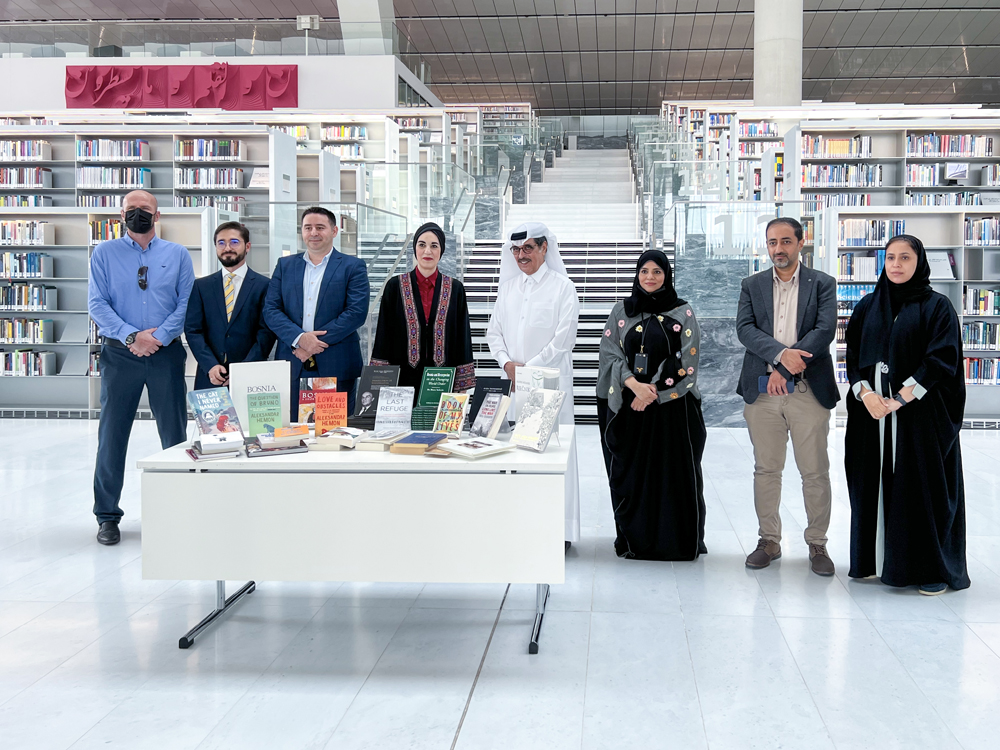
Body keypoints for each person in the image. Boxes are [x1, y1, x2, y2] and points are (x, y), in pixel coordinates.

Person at [845, 234, 969, 595]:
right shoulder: (868, 306)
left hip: (918, 419)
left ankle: (927, 568)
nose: (896, 265)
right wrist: (866, 394)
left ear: (920, 262)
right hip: (872, 415)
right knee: (873, 484)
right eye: (890, 258)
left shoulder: (936, 306)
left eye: (905, 258)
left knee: (921, 489)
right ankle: (874, 560)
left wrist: (898, 399)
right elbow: (853, 358)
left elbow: (941, 360)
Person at [88, 190, 194, 545]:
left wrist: (159, 337)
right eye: (131, 210)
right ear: (121, 215)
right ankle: (107, 516)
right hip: (120, 355)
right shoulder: (103, 253)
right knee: (112, 436)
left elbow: (185, 303)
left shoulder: (177, 254)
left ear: (158, 215)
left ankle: (179, 510)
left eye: (144, 210)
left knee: (174, 436)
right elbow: (97, 304)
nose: (138, 215)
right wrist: (133, 336)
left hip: (165, 354)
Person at [736, 217, 839, 576]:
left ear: (800, 242)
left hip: (808, 391)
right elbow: (745, 330)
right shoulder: (752, 284)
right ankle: (769, 540)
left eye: (784, 241)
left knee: (814, 471)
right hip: (762, 393)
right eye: (771, 242)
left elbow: (824, 330)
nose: (777, 249)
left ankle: (817, 544)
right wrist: (780, 356)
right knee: (766, 469)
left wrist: (786, 368)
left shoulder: (823, 283)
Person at [599, 250, 707, 560]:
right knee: (634, 477)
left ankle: (677, 542)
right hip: (631, 409)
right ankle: (636, 540)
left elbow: (688, 361)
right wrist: (633, 385)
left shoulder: (682, 312)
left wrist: (654, 393)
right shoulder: (622, 311)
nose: (650, 277)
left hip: (673, 411)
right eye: (644, 271)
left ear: (666, 276)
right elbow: (609, 353)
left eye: (657, 272)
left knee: (674, 476)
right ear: (637, 274)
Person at [485, 222, 581, 546]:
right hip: (511, 383)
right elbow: (493, 333)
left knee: (549, 457)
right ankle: (521, 528)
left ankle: (557, 532)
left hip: (545, 384)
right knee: (514, 457)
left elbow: (563, 340)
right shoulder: (509, 289)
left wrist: (530, 368)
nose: (520, 255)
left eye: (527, 248)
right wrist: (507, 364)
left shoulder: (563, 287)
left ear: (544, 248)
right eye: (515, 249)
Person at [263, 207, 369, 420]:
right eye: (308, 227)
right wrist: (300, 339)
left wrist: (312, 345)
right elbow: (271, 309)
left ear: (334, 231)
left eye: (320, 227)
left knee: (334, 433)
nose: (313, 233)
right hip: (293, 361)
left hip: (336, 363)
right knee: (294, 432)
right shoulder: (285, 265)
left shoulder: (353, 266)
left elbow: (356, 312)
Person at [369, 222, 475, 396]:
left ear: (441, 250)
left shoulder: (455, 289)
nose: (427, 251)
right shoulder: (395, 287)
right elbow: (383, 336)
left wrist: (461, 383)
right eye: (422, 245)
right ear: (414, 248)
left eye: (434, 246)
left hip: (443, 380)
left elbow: (462, 337)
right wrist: (381, 379)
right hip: (401, 381)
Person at [184, 221, 275, 391]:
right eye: (221, 243)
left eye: (234, 242)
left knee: (248, 419)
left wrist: (244, 368)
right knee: (213, 419)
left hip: (252, 376)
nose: (227, 248)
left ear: (247, 246)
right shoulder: (201, 286)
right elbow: (193, 330)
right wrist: (210, 365)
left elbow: (266, 332)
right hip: (210, 376)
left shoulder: (265, 285)